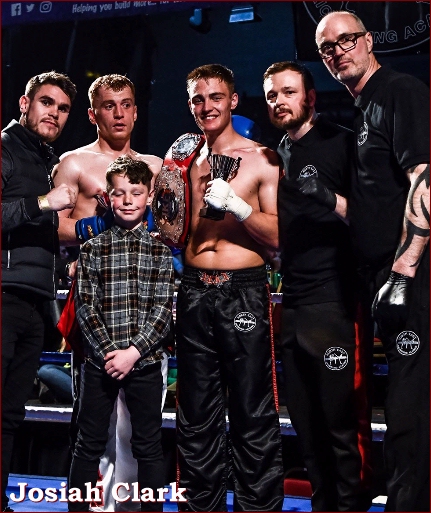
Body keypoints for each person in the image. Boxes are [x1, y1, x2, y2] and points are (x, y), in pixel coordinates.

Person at [316, 11, 430, 512]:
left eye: (346, 40)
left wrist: (403, 271)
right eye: (327, 47)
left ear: (368, 41)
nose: (338, 51)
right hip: (383, 274)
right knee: (404, 401)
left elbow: (425, 177)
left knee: (410, 406)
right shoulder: (364, 108)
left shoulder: (399, 91)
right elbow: (378, 203)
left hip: (412, 276)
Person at [166, 64, 284, 511]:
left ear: (233, 100)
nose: (207, 106)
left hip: (244, 291)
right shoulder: (181, 161)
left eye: (216, 97)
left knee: (253, 410)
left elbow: (279, 237)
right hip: (193, 289)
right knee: (195, 412)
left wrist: (237, 206)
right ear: (190, 105)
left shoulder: (262, 158)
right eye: (198, 99)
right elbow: (171, 230)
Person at [52, 74, 165, 512]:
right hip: (94, 303)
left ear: (136, 110)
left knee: (141, 434)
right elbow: (53, 226)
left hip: (143, 309)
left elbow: (173, 229)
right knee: (92, 429)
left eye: (126, 104)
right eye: (108, 105)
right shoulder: (74, 162)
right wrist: (91, 227)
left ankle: (131, 507)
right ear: (93, 113)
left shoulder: (154, 166)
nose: (119, 113)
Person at [263, 60, 372, 511]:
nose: (279, 102)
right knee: (306, 429)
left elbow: (374, 220)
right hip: (293, 303)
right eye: (272, 95)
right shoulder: (276, 155)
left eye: (288, 92)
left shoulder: (343, 144)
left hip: (336, 302)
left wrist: (330, 199)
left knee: (342, 427)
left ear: (309, 97)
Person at [68, 155, 174, 512]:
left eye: (136, 192)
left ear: (149, 197)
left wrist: (133, 353)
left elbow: (163, 311)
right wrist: (111, 354)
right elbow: (86, 308)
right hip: (100, 364)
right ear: (108, 198)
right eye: (120, 193)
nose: (128, 200)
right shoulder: (92, 249)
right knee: (88, 444)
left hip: (145, 363)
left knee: (148, 447)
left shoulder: (160, 252)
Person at [1, 71, 77, 512]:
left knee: (11, 414)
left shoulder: (45, 160)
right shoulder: (5, 148)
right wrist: (44, 203)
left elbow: (41, 235)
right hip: (3, 297)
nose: (54, 113)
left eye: (63, 108)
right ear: (24, 104)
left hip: (34, 301)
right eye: (47, 102)